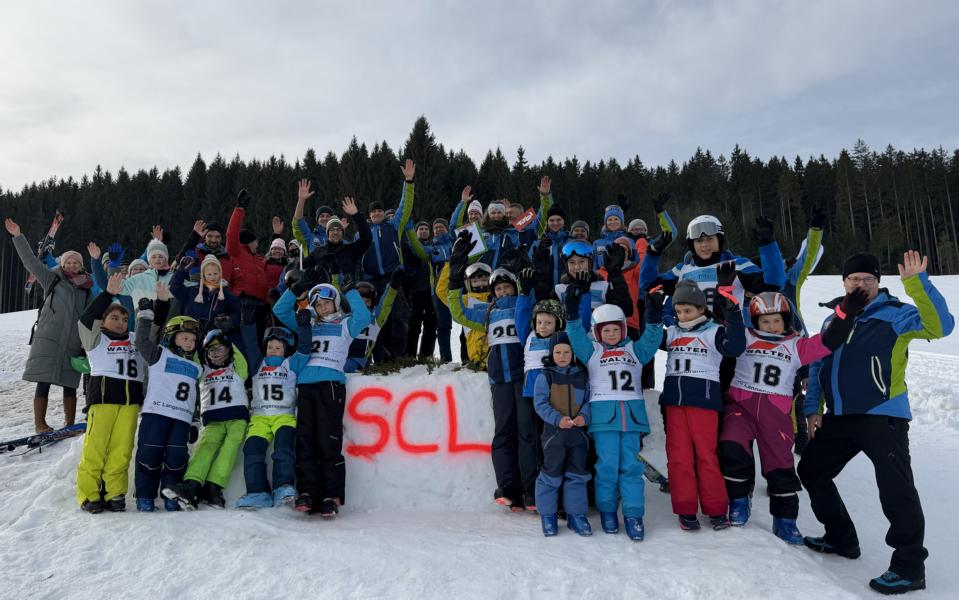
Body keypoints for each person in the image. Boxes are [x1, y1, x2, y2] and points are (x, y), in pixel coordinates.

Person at [798, 251, 954, 595]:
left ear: (878, 283)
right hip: (840, 417)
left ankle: (909, 567)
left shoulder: (895, 315)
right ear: (843, 283)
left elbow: (940, 326)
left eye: (868, 279)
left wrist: (917, 284)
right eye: (854, 279)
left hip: (883, 415)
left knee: (896, 489)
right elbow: (819, 365)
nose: (861, 285)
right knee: (811, 470)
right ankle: (841, 538)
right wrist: (812, 409)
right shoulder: (834, 319)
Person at [720, 288, 867, 543]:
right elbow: (728, 336)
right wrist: (729, 304)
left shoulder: (796, 344)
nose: (772, 326)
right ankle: (739, 501)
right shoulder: (744, 337)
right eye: (765, 321)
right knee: (733, 450)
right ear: (755, 322)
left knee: (780, 467)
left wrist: (845, 314)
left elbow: (828, 341)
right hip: (740, 408)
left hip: (775, 415)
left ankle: (785, 520)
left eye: (777, 320)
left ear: (786, 320)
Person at [564, 284, 663, 542]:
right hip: (604, 420)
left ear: (623, 329)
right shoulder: (592, 352)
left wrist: (654, 319)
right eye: (605, 330)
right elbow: (576, 337)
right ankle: (608, 510)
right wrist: (572, 314)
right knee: (607, 466)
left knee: (631, 467)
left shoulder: (635, 351)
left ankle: (633, 514)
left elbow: (651, 341)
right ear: (597, 332)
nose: (611, 334)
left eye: (615, 329)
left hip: (631, 419)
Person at [655, 271, 746, 531]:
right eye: (679, 311)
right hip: (674, 403)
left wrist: (733, 314)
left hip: (704, 403)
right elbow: (649, 340)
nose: (683, 316)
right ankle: (685, 508)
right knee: (679, 456)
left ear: (700, 309)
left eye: (688, 311)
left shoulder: (714, 331)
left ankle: (716, 508)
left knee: (707, 455)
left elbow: (736, 347)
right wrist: (652, 311)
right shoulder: (672, 333)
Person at [273, 279, 372, 516]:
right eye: (318, 305)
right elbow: (280, 311)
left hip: (330, 386)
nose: (323, 308)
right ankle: (308, 491)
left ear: (336, 303)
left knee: (328, 440)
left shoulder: (346, 324)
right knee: (305, 440)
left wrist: (350, 291)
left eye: (327, 303)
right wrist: (295, 289)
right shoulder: (307, 324)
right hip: (306, 386)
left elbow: (364, 317)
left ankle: (331, 495)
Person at [448, 232, 527, 509]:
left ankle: (530, 486)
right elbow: (458, 312)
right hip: (499, 379)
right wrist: (455, 280)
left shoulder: (523, 308)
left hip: (522, 377)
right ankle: (508, 486)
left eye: (507, 288)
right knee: (504, 432)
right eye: (499, 289)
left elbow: (532, 298)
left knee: (527, 432)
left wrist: (524, 273)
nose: (503, 292)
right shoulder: (488, 313)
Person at [6, 218, 92, 433]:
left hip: (73, 341)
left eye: (76, 263)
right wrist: (18, 236)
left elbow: (91, 315)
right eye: (68, 262)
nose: (72, 265)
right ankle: (40, 424)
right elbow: (30, 262)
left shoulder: (86, 288)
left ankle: (70, 423)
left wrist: (87, 341)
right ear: (62, 264)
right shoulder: (51, 279)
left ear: (81, 266)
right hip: (49, 339)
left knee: (70, 383)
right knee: (43, 381)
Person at [74, 273, 145, 513]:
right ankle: (89, 494)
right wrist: (107, 294)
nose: (121, 323)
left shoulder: (135, 339)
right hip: (103, 402)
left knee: (121, 451)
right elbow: (85, 320)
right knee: (95, 449)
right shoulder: (96, 339)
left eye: (124, 319)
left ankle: (114, 493)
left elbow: (153, 330)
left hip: (130, 404)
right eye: (114, 318)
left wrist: (162, 304)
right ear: (103, 322)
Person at [162, 329, 249, 510]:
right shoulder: (202, 371)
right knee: (205, 448)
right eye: (211, 350)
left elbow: (240, 358)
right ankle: (191, 485)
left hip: (237, 417)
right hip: (212, 419)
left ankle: (213, 486)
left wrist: (228, 336)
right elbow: (193, 359)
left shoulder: (237, 369)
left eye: (220, 349)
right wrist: (200, 337)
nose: (215, 353)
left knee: (230, 447)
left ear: (228, 350)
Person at [133, 286, 202, 512]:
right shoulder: (159, 355)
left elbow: (194, 395)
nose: (190, 342)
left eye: (193, 339)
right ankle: (145, 495)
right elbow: (141, 342)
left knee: (176, 458)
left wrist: (194, 421)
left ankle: (171, 494)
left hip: (181, 420)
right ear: (172, 336)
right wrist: (145, 316)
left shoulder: (195, 366)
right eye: (185, 337)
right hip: (156, 414)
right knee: (149, 455)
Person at [236, 323, 312, 509]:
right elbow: (250, 344)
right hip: (260, 418)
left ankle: (283, 487)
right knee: (252, 450)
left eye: (278, 348)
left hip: (284, 416)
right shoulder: (258, 363)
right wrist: (247, 322)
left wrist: (304, 327)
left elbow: (304, 348)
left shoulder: (291, 364)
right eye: (270, 347)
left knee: (283, 448)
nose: (273, 350)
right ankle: (257, 492)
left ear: (285, 350)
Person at [533, 331, 592, 537]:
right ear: (551, 354)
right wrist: (557, 419)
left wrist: (584, 416)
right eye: (558, 352)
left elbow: (589, 400)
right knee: (550, 475)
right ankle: (548, 515)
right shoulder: (545, 376)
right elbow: (540, 404)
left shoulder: (582, 375)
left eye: (567, 352)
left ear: (573, 353)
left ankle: (576, 516)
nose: (562, 356)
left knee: (577, 475)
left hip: (578, 435)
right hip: (554, 435)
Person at [227, 189, 274, 368]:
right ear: (249, 242)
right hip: (243, 302)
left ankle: (257, 373)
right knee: (244, 343)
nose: (257, 245)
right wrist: (240, 208)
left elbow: (265, 283)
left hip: (261, 306)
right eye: (256, 242)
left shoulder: (260, 260)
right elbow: (231, 234)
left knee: (258, 342)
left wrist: (269, 304)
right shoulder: (236, 252)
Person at [345, 273, 402, 372]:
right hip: (340, 357)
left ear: (372, 303)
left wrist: (392, 287)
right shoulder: (346, 316)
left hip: (358, 361)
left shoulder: (375, 319)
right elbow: (336, 300)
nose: (363, 305)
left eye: (367, 301)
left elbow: (385, 304)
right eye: (360, 301)